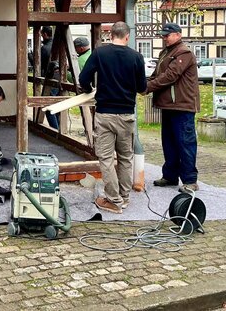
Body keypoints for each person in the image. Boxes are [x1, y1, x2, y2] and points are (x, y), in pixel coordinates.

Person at [78, 21, 147, 214]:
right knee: (125, 157)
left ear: (110, 35)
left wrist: (89, 90)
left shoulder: (100, 53)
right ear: (127, 37)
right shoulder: (136, 57)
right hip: (126, 115)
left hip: (105, 113)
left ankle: (113, 200)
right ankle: (124, 198)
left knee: (106, 158)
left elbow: (83, 78)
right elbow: (142, 88)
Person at [145, 23, 201, 194]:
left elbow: (170, 76)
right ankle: (170, 176)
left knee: (185, 143)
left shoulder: (184, 52)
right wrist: (145, 83)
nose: (164, 38)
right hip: (168, 105)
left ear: (178, 35)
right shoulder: (166, 53)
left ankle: (190, 180)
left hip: (182, 106)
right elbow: (157, 74)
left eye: (167, 35)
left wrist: (147, 87)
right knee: (169, 143)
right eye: (163, 35)